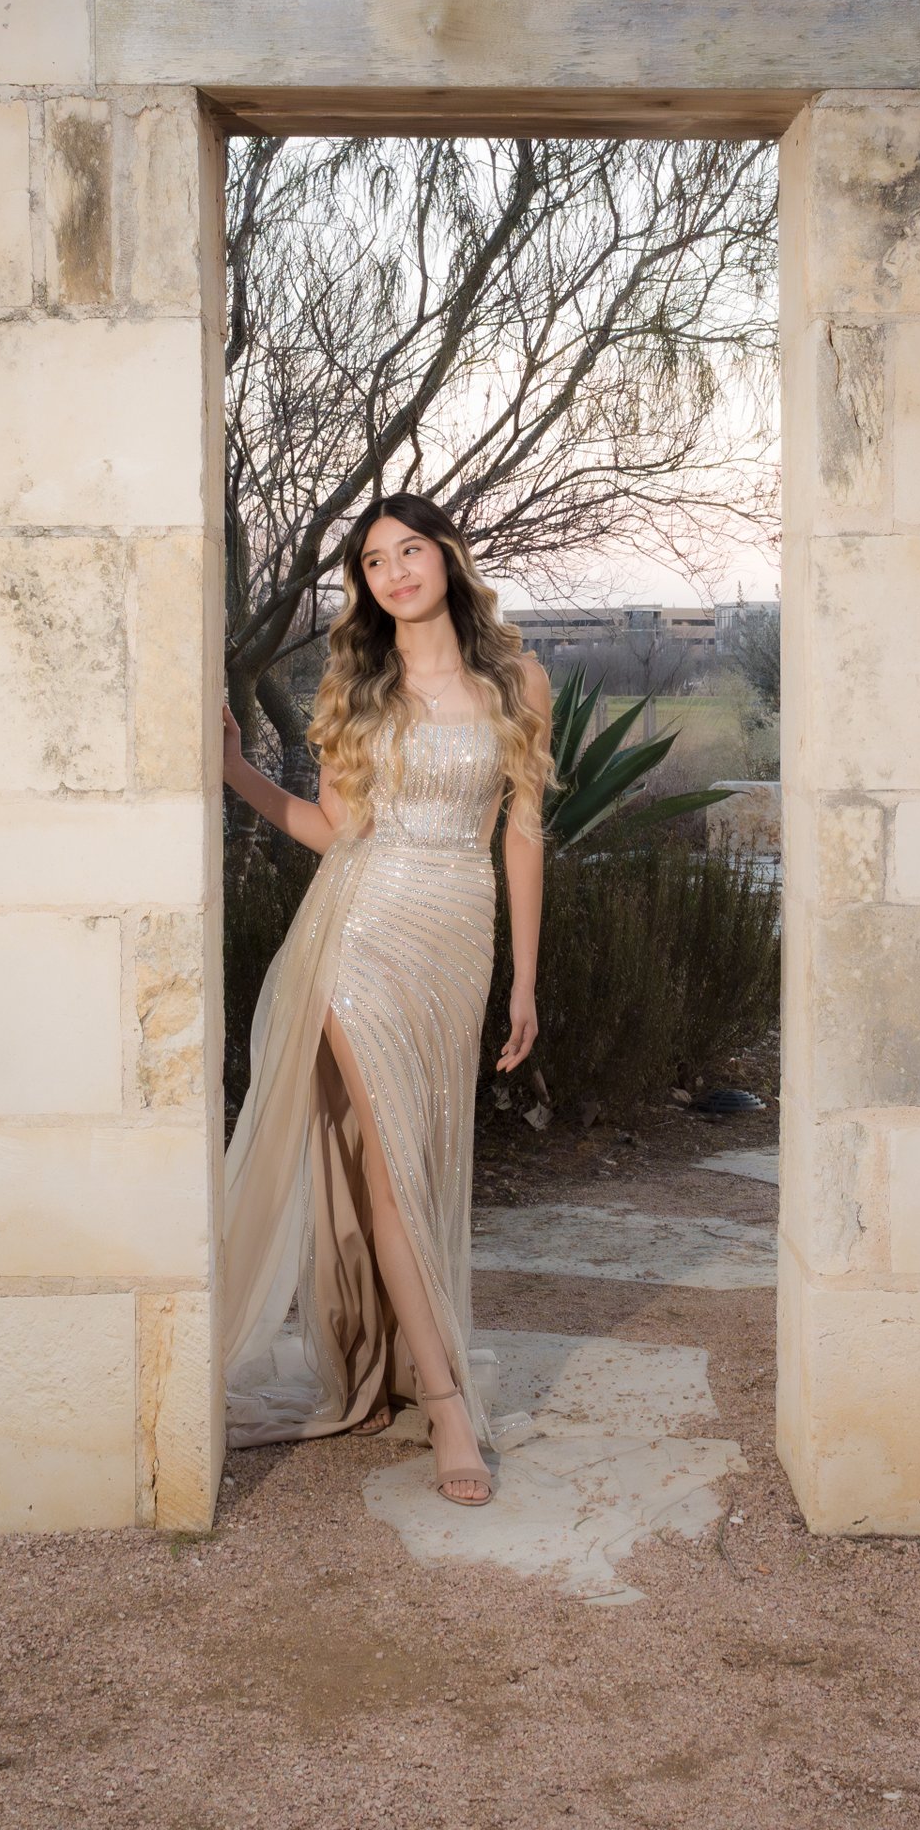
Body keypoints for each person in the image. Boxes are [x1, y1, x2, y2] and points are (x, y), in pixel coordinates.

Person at [218, 494, 554, 1507]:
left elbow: (522, 833)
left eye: (411, 550)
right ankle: (446, 1407)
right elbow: (333, 832)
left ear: (447, 557)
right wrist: (236, 772)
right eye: (374, 560)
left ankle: (410, 1361)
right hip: (359, 932)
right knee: (396, 1166)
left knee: (431, 1156)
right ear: (363, 584)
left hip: (459, 936)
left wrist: (524, 979)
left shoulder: (519, 681)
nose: (396, 571)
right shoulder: (357, 687)